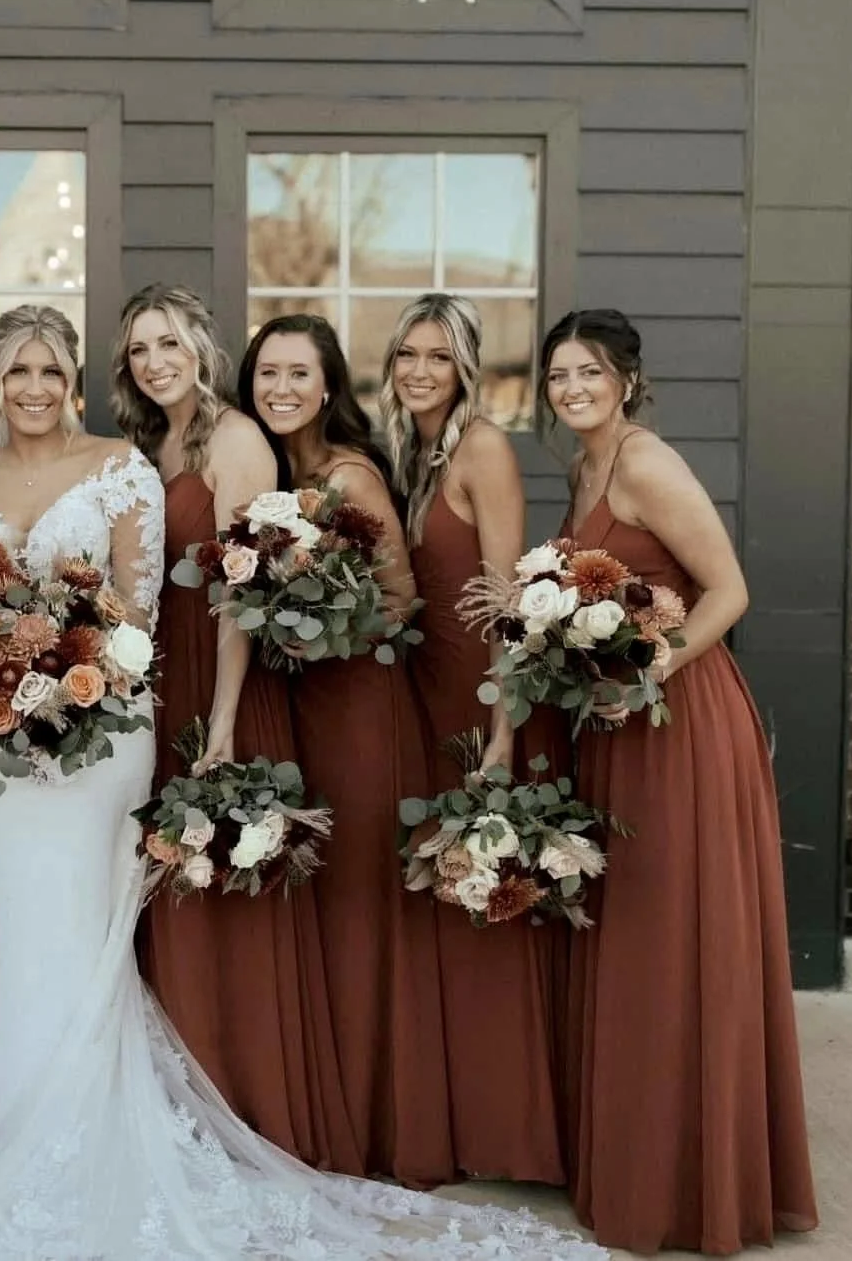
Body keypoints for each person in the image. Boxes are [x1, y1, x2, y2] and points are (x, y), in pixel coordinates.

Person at [0, 308, 603, 1260]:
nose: (33, 389)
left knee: (93, 926)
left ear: (72, 379)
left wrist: (69, 671)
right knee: (13, 928)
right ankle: (20, 1131)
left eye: (50, 371)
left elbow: (137, 612)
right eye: (16, 372)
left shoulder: (120, 466)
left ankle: (98, 1127)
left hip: (104, 724)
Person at [545, 309, 817, 1253]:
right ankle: (641, 1158)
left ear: (625, 379)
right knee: (641, 941)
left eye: (588, 372)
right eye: (557, 375)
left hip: (684, 723)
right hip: (624, 728)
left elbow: (729, 590)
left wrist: (646, 672)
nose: (572, 388)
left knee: (680, 936)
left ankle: (700, 1179)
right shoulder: (586, 467)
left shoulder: (649, 463)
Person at [114, 286, 353, 1168]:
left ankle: (251, 1113)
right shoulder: (149, 442)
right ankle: (180, 1116)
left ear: (201, 348)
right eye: (140, 349)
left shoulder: (236, 437)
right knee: (171, 902)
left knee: (226, 897)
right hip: (160, 686)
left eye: (169, 343)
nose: (156, 361)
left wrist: (220, 722)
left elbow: (244, 596)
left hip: (224, 693)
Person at [242, 312, 455, 1188]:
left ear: (328, 385)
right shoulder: (270, 474)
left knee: (364, 908)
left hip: (361, 707)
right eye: (267, 374)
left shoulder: (350, 475)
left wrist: (326, 632)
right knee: (320, 909)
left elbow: (404, 599)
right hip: (298, 710)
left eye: (299, 374)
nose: (282, 389)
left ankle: (379, 1127)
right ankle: (323, 1103)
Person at [378, 294, 566, 1185]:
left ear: (465, 368)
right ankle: (449, 1117)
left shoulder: (484, 447)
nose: (419, 370)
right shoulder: (414, 453)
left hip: (475, 699)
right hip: (420, 695)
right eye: (407, 354)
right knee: (442, 909)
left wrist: (502, 735)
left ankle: (505, 1130)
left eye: (437, 357)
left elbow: (508, 607)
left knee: (484, 909)